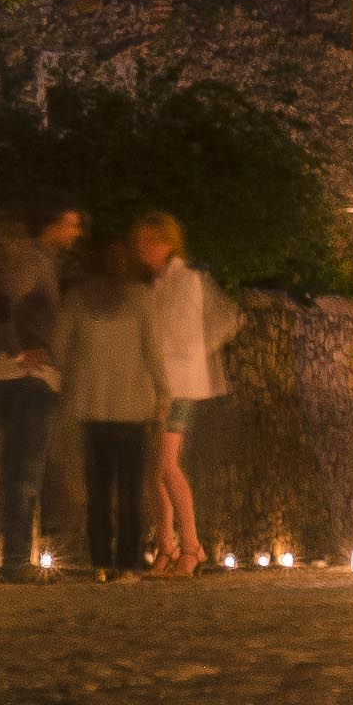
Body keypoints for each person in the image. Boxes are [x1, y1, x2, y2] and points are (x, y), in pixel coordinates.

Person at [54, 220, 169, 576]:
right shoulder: (140, 298)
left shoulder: (77, 299)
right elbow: (152, 352)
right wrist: (164, 393)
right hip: (133, 411)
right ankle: (128, 563)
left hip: (92, 409)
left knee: (99, 490)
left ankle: (101, 562)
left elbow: (59, 348)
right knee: (131, 491)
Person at [0, 208, 83, 580]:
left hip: (29, 378)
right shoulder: (32, 259)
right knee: (24, 471)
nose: (77, 232)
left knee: (24, 469)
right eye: (71, 223)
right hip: (26, 379)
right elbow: (0, 301)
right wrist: (18, 351)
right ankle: (15, 561)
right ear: (51, 222)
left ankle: (16, 556)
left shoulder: (43, 261)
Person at [139, 214, 225, 578]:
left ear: (168, 243)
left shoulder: (184, 281)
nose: (144, 249)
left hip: (176, 387)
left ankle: (190, 547)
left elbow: (178, 338)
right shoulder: (157, 284)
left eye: (152, 241)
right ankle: (166, 547)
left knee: (167, 467)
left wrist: (164, 386)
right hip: (156, 385)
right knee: (153, 473)